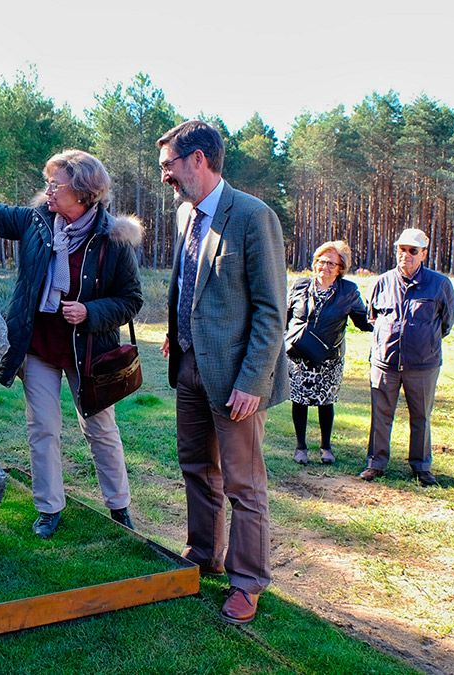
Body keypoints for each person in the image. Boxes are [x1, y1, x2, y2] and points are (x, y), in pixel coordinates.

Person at [0, 151, 143, 540]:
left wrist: (90, 311)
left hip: (90, 353)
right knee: (43, 429)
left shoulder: (113, 239)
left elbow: (131, 299)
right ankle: (49, 509)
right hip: (39, 346)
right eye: (48, 182)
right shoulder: (35, 222)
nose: (48, 190)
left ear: (83, 193)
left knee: (100, 430)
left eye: (56, 184)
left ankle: (119, 507)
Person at [158, 120, 287, 625]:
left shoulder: (254, 216)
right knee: (196, 467)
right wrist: (177, 330)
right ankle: (203, 553)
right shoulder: (183, 215)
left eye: (169, 165)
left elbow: (270, 310)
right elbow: (189, 281)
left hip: (236, 379)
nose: (165, 175)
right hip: (188, 365)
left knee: (244, 484)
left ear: (199, 159)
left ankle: (248, 581)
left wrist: (254, 382)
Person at [360, 228, 454, 486]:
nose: (407, 255)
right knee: (381, 414)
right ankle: (375, 463)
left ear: (424, 253)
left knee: (421, 416)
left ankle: (421, 467)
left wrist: (421, 341)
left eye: (413, 250)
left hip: (423, 364)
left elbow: (446, 324)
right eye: (402, 249)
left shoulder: (440, 284)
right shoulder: (382, 282)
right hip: (385, 363)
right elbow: (373, 317)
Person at [285, 241, 372, 466]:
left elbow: (362, 321)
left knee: (325, 402)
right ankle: (301, 447)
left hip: (328, 358)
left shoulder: (348, 291)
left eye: (331, 263)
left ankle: (326, 447)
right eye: (321, 261)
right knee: (299, 401)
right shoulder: (299, 285)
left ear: (340, 268)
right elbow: (285, 317)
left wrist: (380, 318)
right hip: (298, 356)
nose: (324, 267)